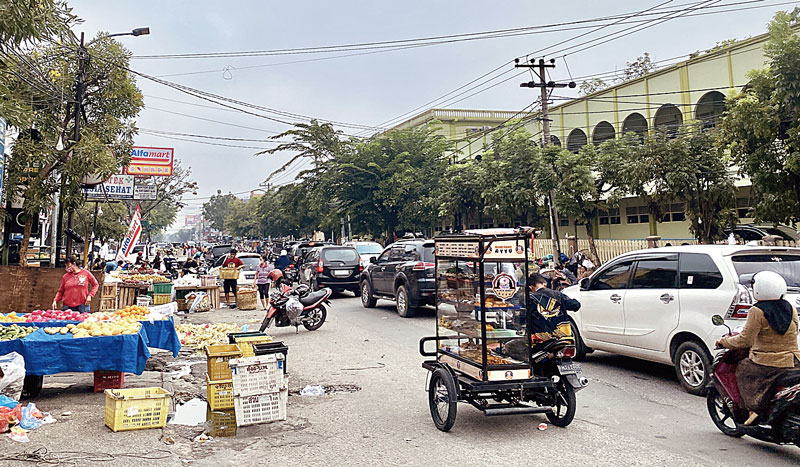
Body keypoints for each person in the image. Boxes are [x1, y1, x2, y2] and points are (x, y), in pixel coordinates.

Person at [717, 271, 800, 425]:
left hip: (770, 362)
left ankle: (754, 408)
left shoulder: (757, 311)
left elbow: (745, 340)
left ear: (758, 289)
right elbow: (795, 330)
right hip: (794, 359)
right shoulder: (790, 307)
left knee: (743, 368)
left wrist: (724, 342)